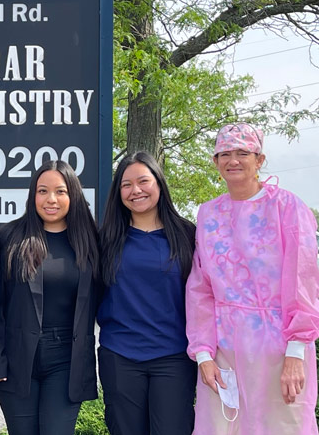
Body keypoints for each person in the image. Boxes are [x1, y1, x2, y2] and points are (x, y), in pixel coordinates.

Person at [186, 123, 319, 434]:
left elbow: (303, 282)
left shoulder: (287, 208)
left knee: (284, 426)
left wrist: (295, 353)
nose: (233, 160)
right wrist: (204, 354)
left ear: (259, 160)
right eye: (225, 154)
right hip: (225, 348)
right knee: (223, 426)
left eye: (242, 153)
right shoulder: (209, 214)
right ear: (215, 162)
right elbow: (201, 288)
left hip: (279, 347)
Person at [0, 161, 100, 435]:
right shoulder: (10, 237)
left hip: (66, 358)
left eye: (60, 191)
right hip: (16, 356)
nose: (51, 199)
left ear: (73, 195)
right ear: (32, 195)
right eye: (42, 191)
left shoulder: (89, 241)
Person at [97, 151, 197, 435]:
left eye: (143, 181)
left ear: (159, 183)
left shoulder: (188, 235)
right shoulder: (105, 238)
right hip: (120, 355)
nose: (135, 190)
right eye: (126, 185)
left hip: (174, 357)